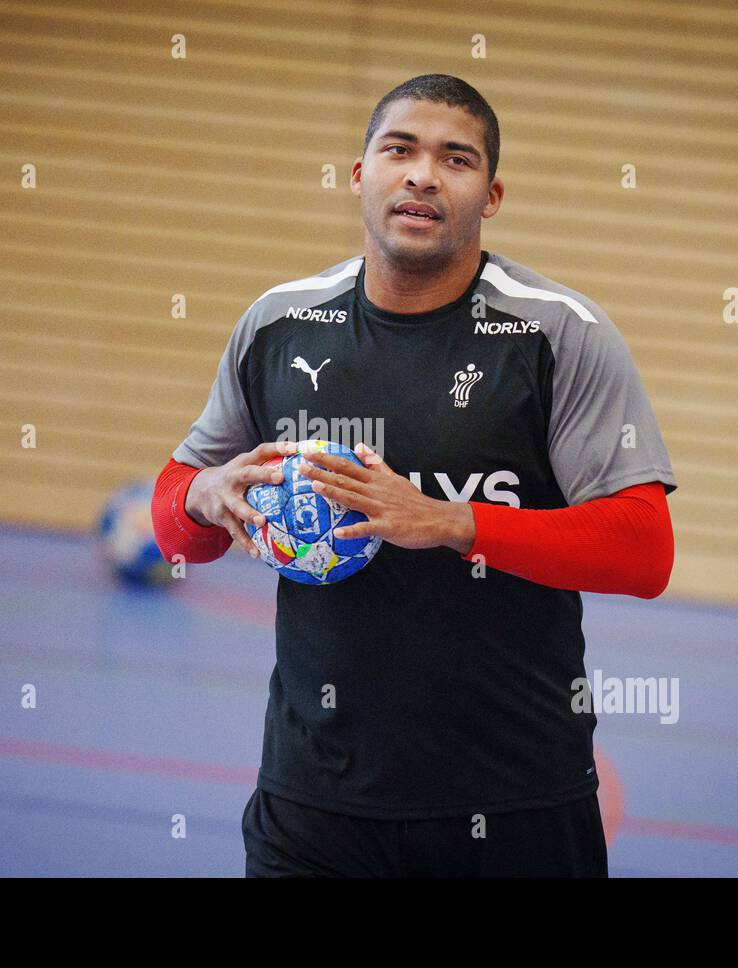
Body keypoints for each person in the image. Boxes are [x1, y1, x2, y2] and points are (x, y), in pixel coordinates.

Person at [151, 74, 677, 877]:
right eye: (399, 150)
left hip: (516, 803)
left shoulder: (556, 334)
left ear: (490, 195)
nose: (423, 174)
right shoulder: (278, 324)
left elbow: (645, 552)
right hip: (313, 806)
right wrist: (203, 493)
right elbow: (174, 526)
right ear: (359, 175)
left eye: (455, 159)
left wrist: (451, 521)